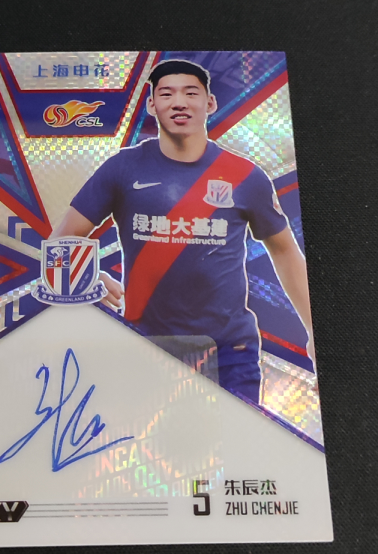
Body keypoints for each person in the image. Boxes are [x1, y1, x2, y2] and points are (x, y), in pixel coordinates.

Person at [51, 59, 314, 403]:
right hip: (145, 347)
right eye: (166, 94)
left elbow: (284, 250)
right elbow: (61, 242)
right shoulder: (123, 168)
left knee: (233, 440)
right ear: (151, 105)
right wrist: (85, 276)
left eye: (191, 93)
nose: (179, 102)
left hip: (230, 352)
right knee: (146, 441)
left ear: (210, 103)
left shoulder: (245, 176)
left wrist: (314, 331)